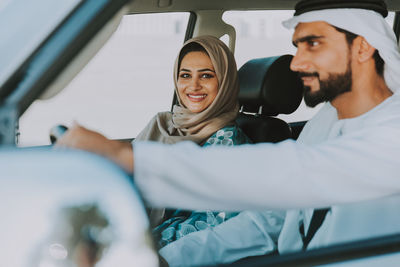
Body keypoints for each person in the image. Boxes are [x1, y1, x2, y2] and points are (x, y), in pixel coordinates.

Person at [59, 0, 400, 265]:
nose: (295, 63)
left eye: (313, 44)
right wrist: (167, 260)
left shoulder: (393, 130)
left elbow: (291, 172)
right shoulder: (324, 123)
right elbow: (269, 219)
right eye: (297, 46)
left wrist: (127, 156)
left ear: (363, 47)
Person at [57, 36, 285, 265]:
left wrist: (131, 247)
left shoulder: (230, 146)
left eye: (206, 75)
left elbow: (207, 229)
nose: (193, 86)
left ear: (225, 82)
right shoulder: (165, 123)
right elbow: (124, 175)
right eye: (185, 75)